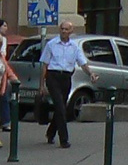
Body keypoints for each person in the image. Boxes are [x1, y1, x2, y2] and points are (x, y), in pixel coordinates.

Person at [38, 19, 98, 148]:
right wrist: (41, 85)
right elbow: (44, 65)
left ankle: (50, 132)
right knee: (59, 106)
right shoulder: (51, 44)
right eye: (62, 29)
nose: (64, 31)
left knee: (61, 108)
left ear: (71, 31)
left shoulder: (75, 47)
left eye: (66, 29)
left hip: (66, 78)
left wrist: (91, 74)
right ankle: (64, 139)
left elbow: (82, 63)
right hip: (52, 76)